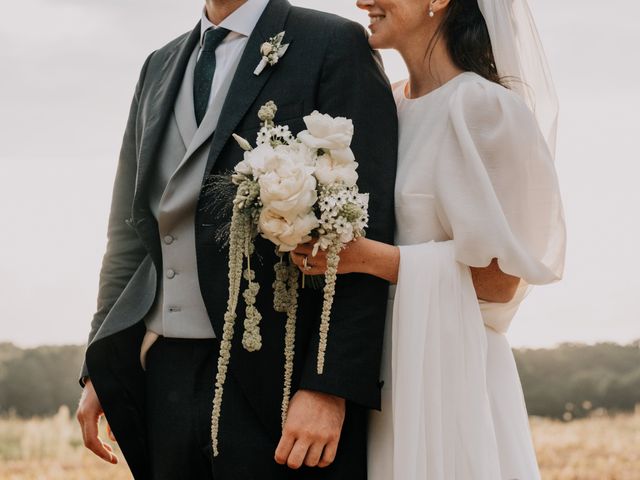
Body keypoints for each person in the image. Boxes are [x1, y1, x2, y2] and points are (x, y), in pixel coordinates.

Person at [75, 0, 398, 478]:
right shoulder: (158, 66)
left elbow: (365, 227)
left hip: (278, 386)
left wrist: (330, 386)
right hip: (162, 370)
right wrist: (99, 360)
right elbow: (128, 231)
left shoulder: (333, 44)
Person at [292, 0, 566, 478]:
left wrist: (372, 260)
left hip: (446, 374)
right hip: (375, 372)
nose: (362, 3)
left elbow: (501, 282)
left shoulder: (484, 108)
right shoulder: (386, 105)